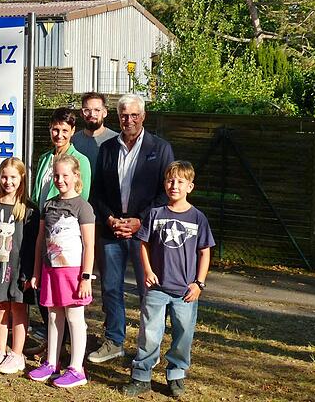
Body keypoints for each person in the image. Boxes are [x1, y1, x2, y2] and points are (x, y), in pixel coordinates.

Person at [88, 93, 175, 363]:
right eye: (124, 115)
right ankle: (114, 341)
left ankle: (149, 347)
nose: (129, 120)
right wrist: (110, 218)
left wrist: (140, 220)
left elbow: (166, 194)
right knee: (111, 288)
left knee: (148, 290)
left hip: (145, 231)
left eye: (134, 115)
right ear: (118, 117)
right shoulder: (108, 148)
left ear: (143, 116)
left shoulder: (160, 148)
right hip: (112, 229)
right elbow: (97, 192)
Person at [122, 161, 214, 398]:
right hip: (157, 288)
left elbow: (205, 251)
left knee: (183, 334)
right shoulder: (155, 214)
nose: (174, 186)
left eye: (180, 182)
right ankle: (142, 376)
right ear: (164, 184)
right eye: (170, 181)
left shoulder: (198, 218)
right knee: (149, 333)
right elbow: (143, 243)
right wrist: (148, 271)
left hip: (185, 291)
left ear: (190, 187)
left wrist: (199, 283)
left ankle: (176, 375)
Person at [27, 107, 92, 356]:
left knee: (67, 298)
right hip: (42, 226)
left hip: (64, 235)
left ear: (73, 131)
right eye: (55, 129)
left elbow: (79, 198)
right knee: (46, 292)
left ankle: (65, 349)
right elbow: (36, 195)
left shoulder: (80, 161)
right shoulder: (45, 159)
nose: (59, 134)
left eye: (65, 130)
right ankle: (51, 343)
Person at [27, 154, 95, 388]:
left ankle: (77, 368)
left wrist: (86, 277)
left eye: (65, 175)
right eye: (56, 175)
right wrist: (37, 271)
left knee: (75, 318)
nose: (60, 179)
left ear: (76, 176)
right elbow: (40, 240)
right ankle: (51, 362)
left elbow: (89, 245)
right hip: (50, 270)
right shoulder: (49, 205)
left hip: (73, 273)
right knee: (54, 316)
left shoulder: (83, 207)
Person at [0, 157, 39, 374]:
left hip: (20, 271)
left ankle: (16, 353)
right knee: (0, 307)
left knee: (19, 309)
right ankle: (0, 351)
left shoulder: (30, 209)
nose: (8, 181)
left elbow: (33, 245)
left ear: (21, 177)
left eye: (13, 177)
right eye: (4, 176)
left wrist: (30, 273)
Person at [70, 92, 118, 177]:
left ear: (105, 113)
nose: (92, 114)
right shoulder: (73, 141)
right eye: (87, 110)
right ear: (81, 113)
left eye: (97, 110)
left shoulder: (116, 140)